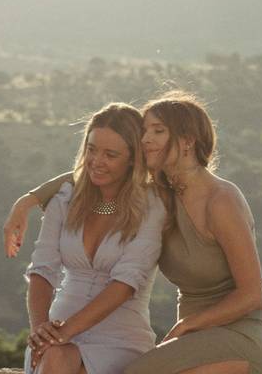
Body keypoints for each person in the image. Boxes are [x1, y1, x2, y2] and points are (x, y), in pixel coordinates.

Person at [8, 91, 262, 374]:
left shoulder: (221, 199)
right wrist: (28, 200)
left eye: (158, 131)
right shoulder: (163, 193)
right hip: (196, 333)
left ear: (187, 141)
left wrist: (188, 325)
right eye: (145, 130)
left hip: (241, 331)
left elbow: (252, 295)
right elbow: (92, 172)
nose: (146, 138)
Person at [23, 102, 166, 374]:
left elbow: (126, 282)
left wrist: (63, 335)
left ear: (133, 159)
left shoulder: (151, 206)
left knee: (60, 360)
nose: (96, 162)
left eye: (110, 154)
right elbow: (42, 269)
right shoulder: (65, 199)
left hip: (120, 336)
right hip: (57, 331)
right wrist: (41, 331)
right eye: (91, 149)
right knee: (55, 358)